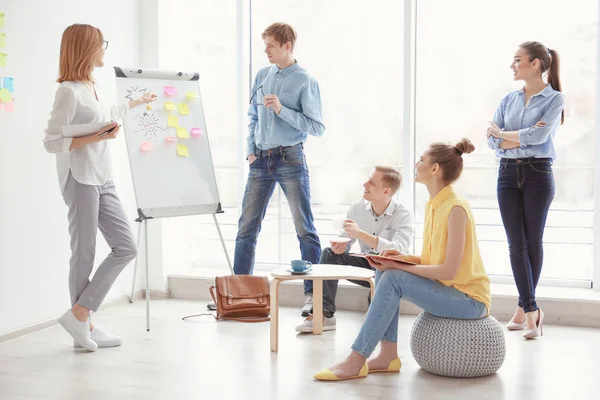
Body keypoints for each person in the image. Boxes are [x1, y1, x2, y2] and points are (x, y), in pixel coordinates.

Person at [314, 139, 491, 381]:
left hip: (469, 300)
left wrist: (398, 265)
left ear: (435, 169)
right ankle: (387, 356)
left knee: (393, 276)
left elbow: (449, 270)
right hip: (450, 290)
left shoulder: (456, 208)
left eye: (421, 160)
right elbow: (432, 259)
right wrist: (400, 257)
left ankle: (356, 360)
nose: (417, 164)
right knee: (385, 268)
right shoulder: (434, 205)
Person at [43, 24, 156, 351]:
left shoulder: (90, 86)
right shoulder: (67, 91)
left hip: (102, 175)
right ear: (86, 49)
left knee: (125, 246)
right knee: (85, 253)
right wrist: (99, 136)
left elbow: (107, 114)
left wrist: (137, 103)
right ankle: (85, 324)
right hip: (79, 177)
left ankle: (80, 315)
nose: (104, 48)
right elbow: (51, 142)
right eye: (100, 44)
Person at [233, 23, 325, 281]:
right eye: (265, 45)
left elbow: (317, 127)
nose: (266, 50)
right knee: (246, 228)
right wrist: (251, 151)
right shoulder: (262, 75)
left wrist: (281, 110)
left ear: (287, 46)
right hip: (260, 160)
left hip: (290, 159)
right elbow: (253, 116)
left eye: (271, 45)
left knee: (304, 229)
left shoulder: (306, 81)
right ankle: (240, 293)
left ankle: (312, 297)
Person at [487, 41, 565, 339]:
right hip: (507, 174)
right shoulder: (508, 99)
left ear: (535, 64)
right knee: (514, 244)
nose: (512, 65)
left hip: (538, 174)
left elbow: (541, 135)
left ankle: (527, 309)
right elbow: (491, 140)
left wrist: (504, 135)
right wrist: (510, 138)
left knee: (533, 243)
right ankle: (531, 309)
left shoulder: (555, 98)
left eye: (517, 60)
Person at [295, 166, 412, 332]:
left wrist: (361, 234)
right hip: (365, 263)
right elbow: (347, 238)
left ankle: (376, 314)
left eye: (371, 182)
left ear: (386, 191)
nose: (365, 184)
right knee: (328, 254)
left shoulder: (403, 215)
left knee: (387, 265)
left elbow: (399, 250)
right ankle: (324, 315)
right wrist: (341, 244)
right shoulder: (357, 208)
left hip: (389, 269)